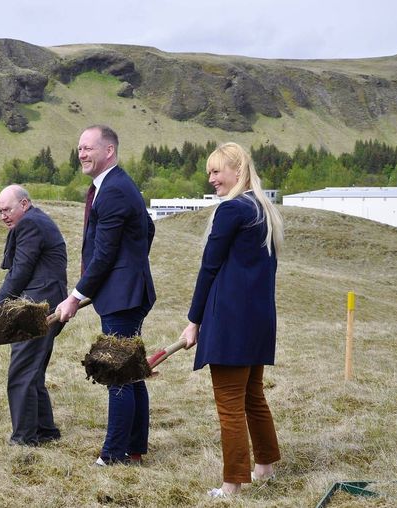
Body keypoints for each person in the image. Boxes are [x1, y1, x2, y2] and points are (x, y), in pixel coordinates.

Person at [180, 142, 284, 498]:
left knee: (229, 403)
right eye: (209, 172)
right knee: (252, 395)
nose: (211, 179)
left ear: (237, 171)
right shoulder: (263, 209)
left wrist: (193, 320)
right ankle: (266, 465)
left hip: (230, 323)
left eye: (216, 171)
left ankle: (232, 484)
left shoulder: (232, 210)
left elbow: (209, 268)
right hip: (258, 321)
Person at [55, 125, 156, 465]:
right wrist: (134, 261)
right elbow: (147, 228)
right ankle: (135, 449)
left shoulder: (113, 190)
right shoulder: (115, 185)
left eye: (88, 148)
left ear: (108, 151)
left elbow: (104, 253)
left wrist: (75, 296)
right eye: (79, 148)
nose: (81, 154)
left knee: (117, 373)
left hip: (124, 296)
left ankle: (113, 454)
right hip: (124, 290)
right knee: (131, 371)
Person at [0, 184, 67, 446]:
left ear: (24, 204)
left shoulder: (30, 224)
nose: (3, 216)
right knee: (32, 372)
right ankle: (45, 430)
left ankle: (24, 438)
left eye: (7, 210)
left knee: (22, 371)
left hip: (39, 307)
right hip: (46, 302)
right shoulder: (34, 221)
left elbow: (21, 269)